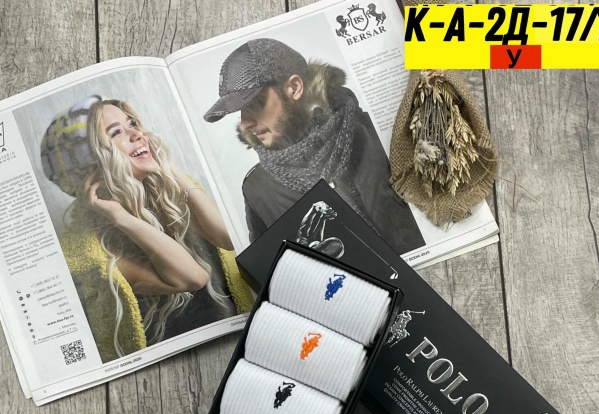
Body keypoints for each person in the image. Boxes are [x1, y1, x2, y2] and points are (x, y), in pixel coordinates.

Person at [40, 95, 254, 363]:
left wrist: (166, 166)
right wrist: (122, 218)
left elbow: (227, 237)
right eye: (116, 132)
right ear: (92, 165)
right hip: (181, 359)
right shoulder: (91, 249)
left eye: (132, 124)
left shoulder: (165, 188)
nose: (137, 134)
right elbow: (193, 278)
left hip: (236, 334)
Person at [203, 39, 424, 256]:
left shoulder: (379, 134)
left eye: (253, 103)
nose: (244, 123)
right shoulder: (257, 190)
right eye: (240, 111)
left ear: (294, 88)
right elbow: (272, 269)